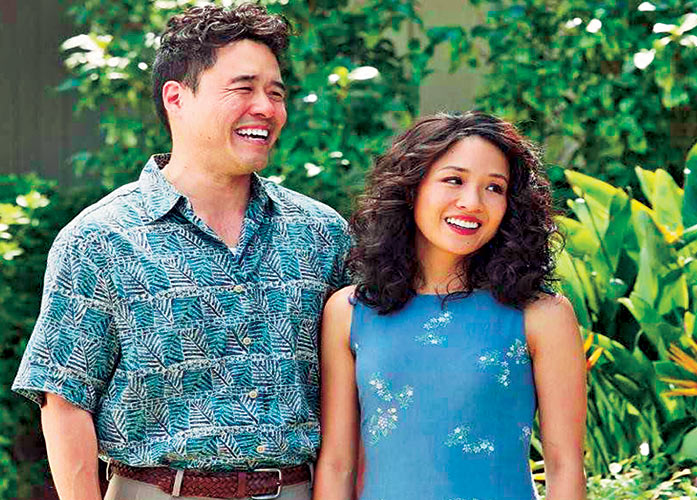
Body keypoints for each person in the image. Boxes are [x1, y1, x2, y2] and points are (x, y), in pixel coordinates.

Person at [12, 4, 351, 500]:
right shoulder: (100, 238)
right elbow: (64, 400)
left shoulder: (321, 233)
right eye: (243, 88)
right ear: (176, 97)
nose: (266, 107)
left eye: (276, 93)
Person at [313, 112, 587, 500]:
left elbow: (565, 465)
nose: (472, 202)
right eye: (454, 180)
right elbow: (338, 464)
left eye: (494, 187)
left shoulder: (542, 316)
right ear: (412, 188)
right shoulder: (350, 312)